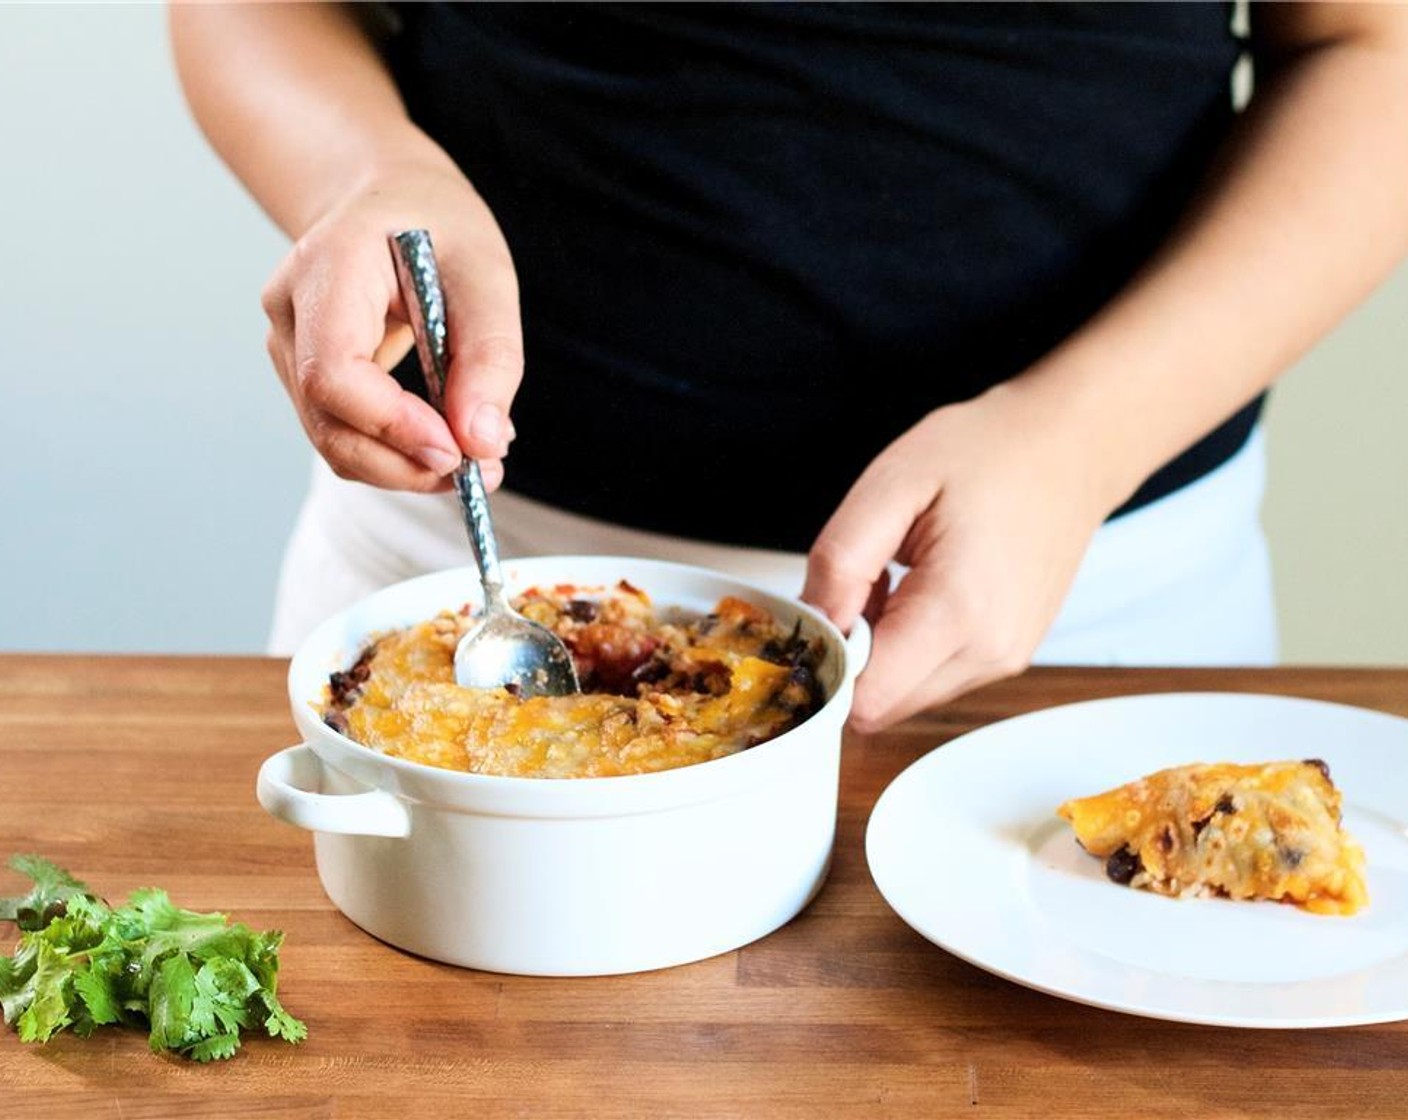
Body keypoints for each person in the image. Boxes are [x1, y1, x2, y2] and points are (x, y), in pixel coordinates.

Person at [170, 3, 1408, 731]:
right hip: (450, 581)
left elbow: (1370, 41)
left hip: (1089, 606)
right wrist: (359, 174)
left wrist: (1079, 439)